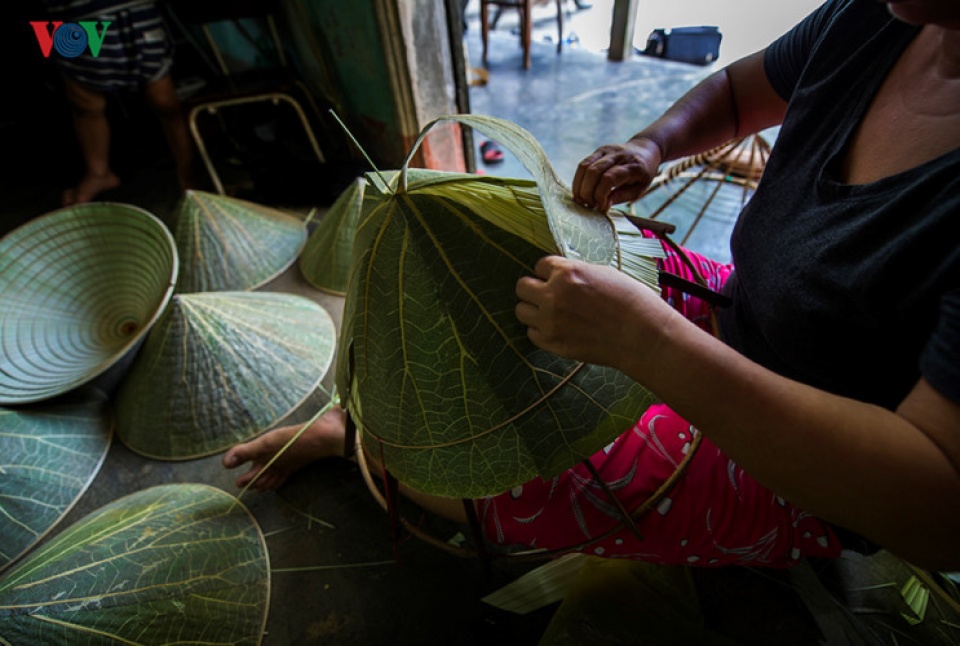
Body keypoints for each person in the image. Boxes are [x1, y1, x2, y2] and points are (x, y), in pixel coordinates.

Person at [225, 0, 960, 571]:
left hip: (815, 469)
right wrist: (654, 143)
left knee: (493, 473)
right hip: (740, 305)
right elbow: (743, 89)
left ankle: (361, 448)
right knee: (523, 285)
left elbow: (939, 511)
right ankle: (372, 432)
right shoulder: (878, 19)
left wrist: (650, 343)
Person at [42, 0, 197, 205]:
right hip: (72, 17)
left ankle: (189, 175)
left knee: (165, 102)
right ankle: (98, 173)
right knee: (84, 103)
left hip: (134, 13)